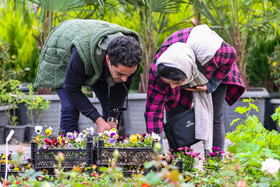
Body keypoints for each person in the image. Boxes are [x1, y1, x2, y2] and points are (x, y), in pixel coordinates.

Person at [144, 24, 245, 152]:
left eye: (177, 82)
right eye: (169, 83)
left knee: (213, 117)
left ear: (187, 74)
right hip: (183, 67)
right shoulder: (158, 72)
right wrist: (156, 153)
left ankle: (215, 166)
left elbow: (231, 55)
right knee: (176, 118)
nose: (172, 87)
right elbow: (153, 113)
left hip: (212, 68)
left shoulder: (213, 52)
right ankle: (179, 165)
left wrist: (212, 84)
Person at [34, 19, 142, 134]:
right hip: (62, 48)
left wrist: (112, 119)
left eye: (128, 75)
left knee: (111, 109)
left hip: (94, 54)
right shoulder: (80, 55)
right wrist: (98, 120)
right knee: (70, 108)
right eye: (120, 73)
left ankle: (108, 149)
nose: (124, 79)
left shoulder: (132, 57)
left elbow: (119, 93)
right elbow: (71, 89)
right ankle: (70, 150)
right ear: (107, 60)